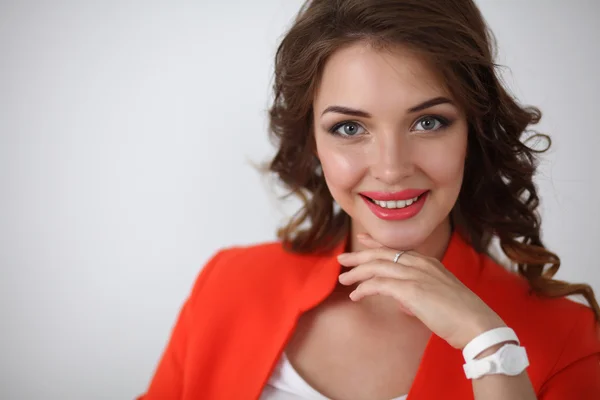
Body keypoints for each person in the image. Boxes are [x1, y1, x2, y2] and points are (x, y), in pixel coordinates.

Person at [137, 0, 600, 399]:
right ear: (313, 141)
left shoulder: (568, 336)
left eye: (428, 122)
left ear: (472, 131)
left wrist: (489, 348)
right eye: (349, 128)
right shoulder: (228, 284)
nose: (392, 168)